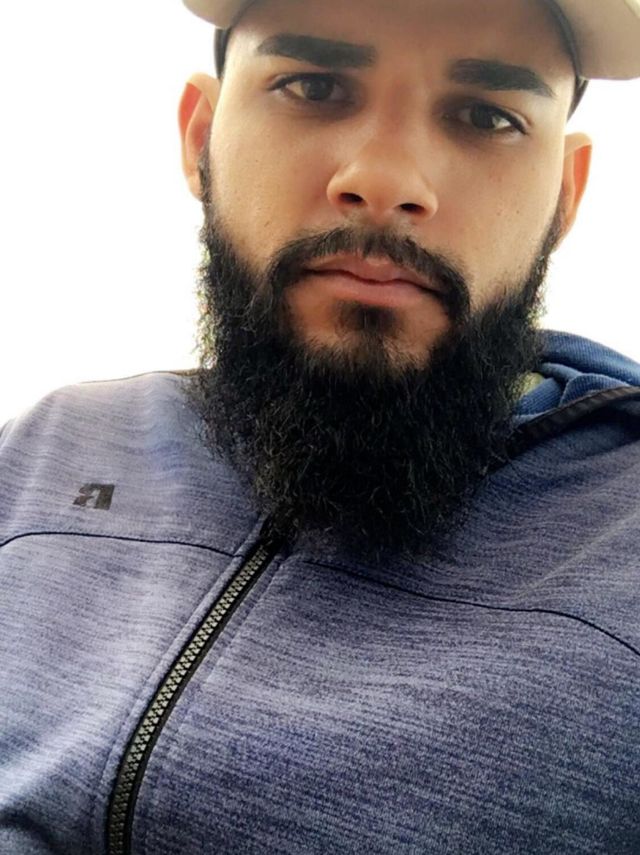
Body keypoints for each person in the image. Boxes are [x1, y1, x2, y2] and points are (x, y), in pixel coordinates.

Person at [1, 0, 640, 852]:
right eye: (312, 86)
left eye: (487, 117)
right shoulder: (48, 446)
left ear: (563, 196)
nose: (386, 178)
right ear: (200, 137)